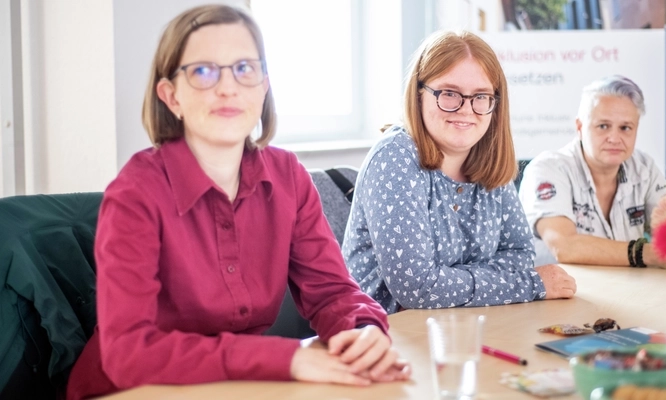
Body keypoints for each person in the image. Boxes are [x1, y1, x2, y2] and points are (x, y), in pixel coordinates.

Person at [66, 5, 409, 399]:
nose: (228, 88)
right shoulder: (135, 194)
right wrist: (288, 359)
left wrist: (362, 331)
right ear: (171, 96)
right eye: (203, 71)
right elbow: (128, 354)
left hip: (236, 388)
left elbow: (332, 292)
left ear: (263, 86)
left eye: (244, 68)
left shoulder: (288, 176)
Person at [341, 30, 577, 315]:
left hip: (461, 321)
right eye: (449, 94)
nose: (466, 110)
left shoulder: (488, 154)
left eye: (481, 96)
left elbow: (519, 255)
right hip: (384, 335)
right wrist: (530, 284)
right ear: (419, 95)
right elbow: (416, 288)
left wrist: (446, 283)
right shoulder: (394, 157)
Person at [518, 75, 666, 268]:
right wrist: (646, 254)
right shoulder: (547, 169)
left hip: (629, 292)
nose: (614, 138)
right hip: (560, 295)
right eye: (603, 126)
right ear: (580, 127)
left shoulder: (644, 168)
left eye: (625, 128)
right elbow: (565, 247)